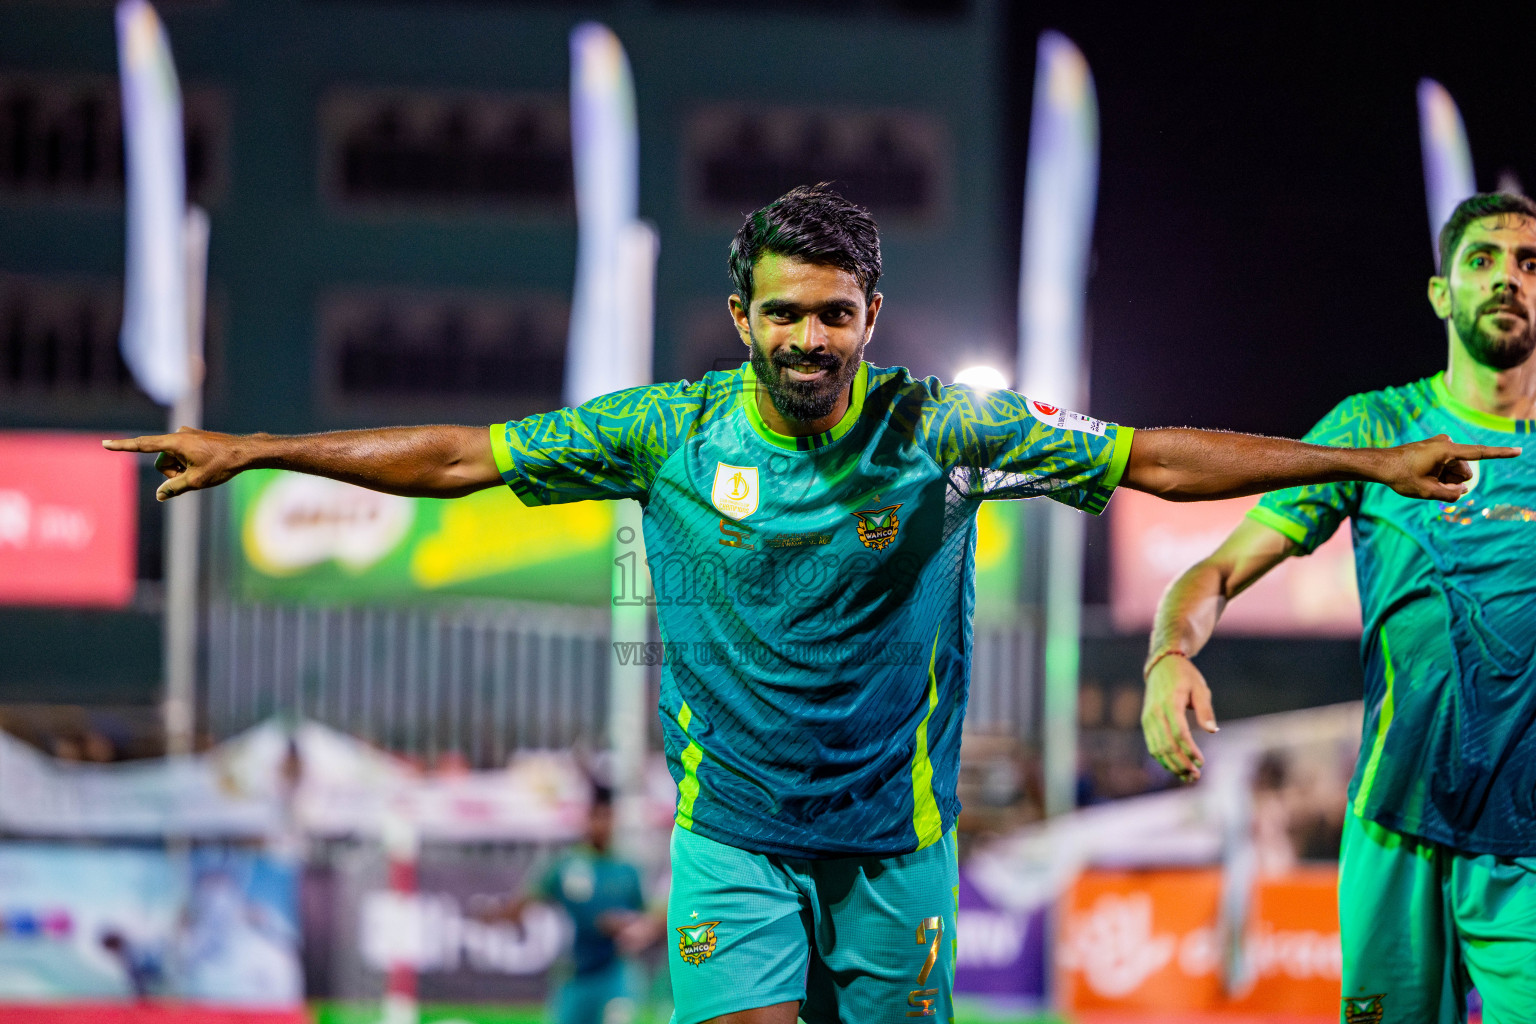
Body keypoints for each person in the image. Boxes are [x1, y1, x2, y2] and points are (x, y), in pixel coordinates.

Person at [106, 184, 1512, 1024]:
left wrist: (1361, 461)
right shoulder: (666, 432)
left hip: (895, 852)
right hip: (732, 850)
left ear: (872, 314)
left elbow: (1151, 455)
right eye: (784, 312)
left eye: (835, 312)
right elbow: (461, 455)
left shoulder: (945, 428)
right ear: (740, 317)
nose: (809, 339)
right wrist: (249, 448)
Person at [1140, 191, 1536, 1024]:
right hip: (1394, 820)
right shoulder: (1379, 429)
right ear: (1442, 292)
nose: (1508, 278)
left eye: (1530, 264)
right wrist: (1168, 656)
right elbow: (1213, 573)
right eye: (1484, 259)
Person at [475, 785, 658, 1024]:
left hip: (615, 971)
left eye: (607, 817)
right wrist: (496, 915)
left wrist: (632, 928)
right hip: (576, 973)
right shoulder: (566, 866)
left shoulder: (628, 869)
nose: (601, 825)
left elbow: (649, 918)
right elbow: (525, 903)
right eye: (596, 817)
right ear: (587, 820)